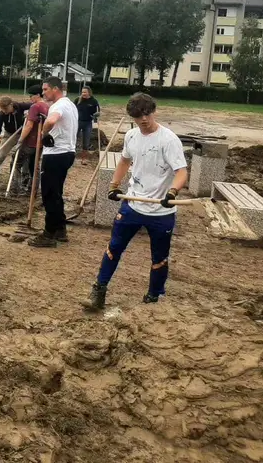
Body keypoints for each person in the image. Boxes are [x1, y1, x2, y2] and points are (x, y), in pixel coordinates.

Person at [84, 93, 188, 310]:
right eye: (138, 116)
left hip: (161, 212)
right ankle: (99, 289)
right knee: (114, 247)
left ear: (154, 111)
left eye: (147, 114)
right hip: (132, 206)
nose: (144, 120)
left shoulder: (168, 140)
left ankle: (153, 297)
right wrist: (114, 185)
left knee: (159, 257)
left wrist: (172, 192)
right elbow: (124, 161)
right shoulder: (132, 136)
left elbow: (181, 172)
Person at [28, 76, 79, 248]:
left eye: (45, 89)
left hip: (56, 154)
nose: (43, 93)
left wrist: (44, 134)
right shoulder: (70, 104)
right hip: (67, 153)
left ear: (55, 89)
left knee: (49, 194)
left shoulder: (58, 105)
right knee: (56, 193)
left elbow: (51, 120)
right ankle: (60, 229)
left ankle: (48, 234)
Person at [0, 96, 32, 187]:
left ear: (11, 105)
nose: (4, 111)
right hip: (9, 135)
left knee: (24, 156)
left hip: (23, 134)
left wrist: (31, 114)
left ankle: (24, 179)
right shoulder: (1, 115)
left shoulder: (20, 106)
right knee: (1, 156)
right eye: (2, 109)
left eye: (6, 108)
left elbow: (35, 105)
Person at [15, 85, 48, 195]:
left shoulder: (35, 106)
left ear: (38, 95)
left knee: (16, 163)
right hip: (40, 142)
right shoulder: (47, 106)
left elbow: (29, 126)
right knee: (34, 166)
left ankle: (16, 188)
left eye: (31, 96)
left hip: (31, 141)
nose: (30, 98)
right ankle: (32, 190)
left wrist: (20, 140)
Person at [74, 86, 101, 164]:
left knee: (86, 141)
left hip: (88, 123)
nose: (83, 94)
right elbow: (72, 109)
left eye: (85, 92)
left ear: (89, 92)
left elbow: (97, 111)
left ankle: (84, 159)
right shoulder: (78, 100)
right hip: (78, 122)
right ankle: (72, 157)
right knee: (73, 139)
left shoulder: (93, 101)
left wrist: (97, 115)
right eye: (82, 92)